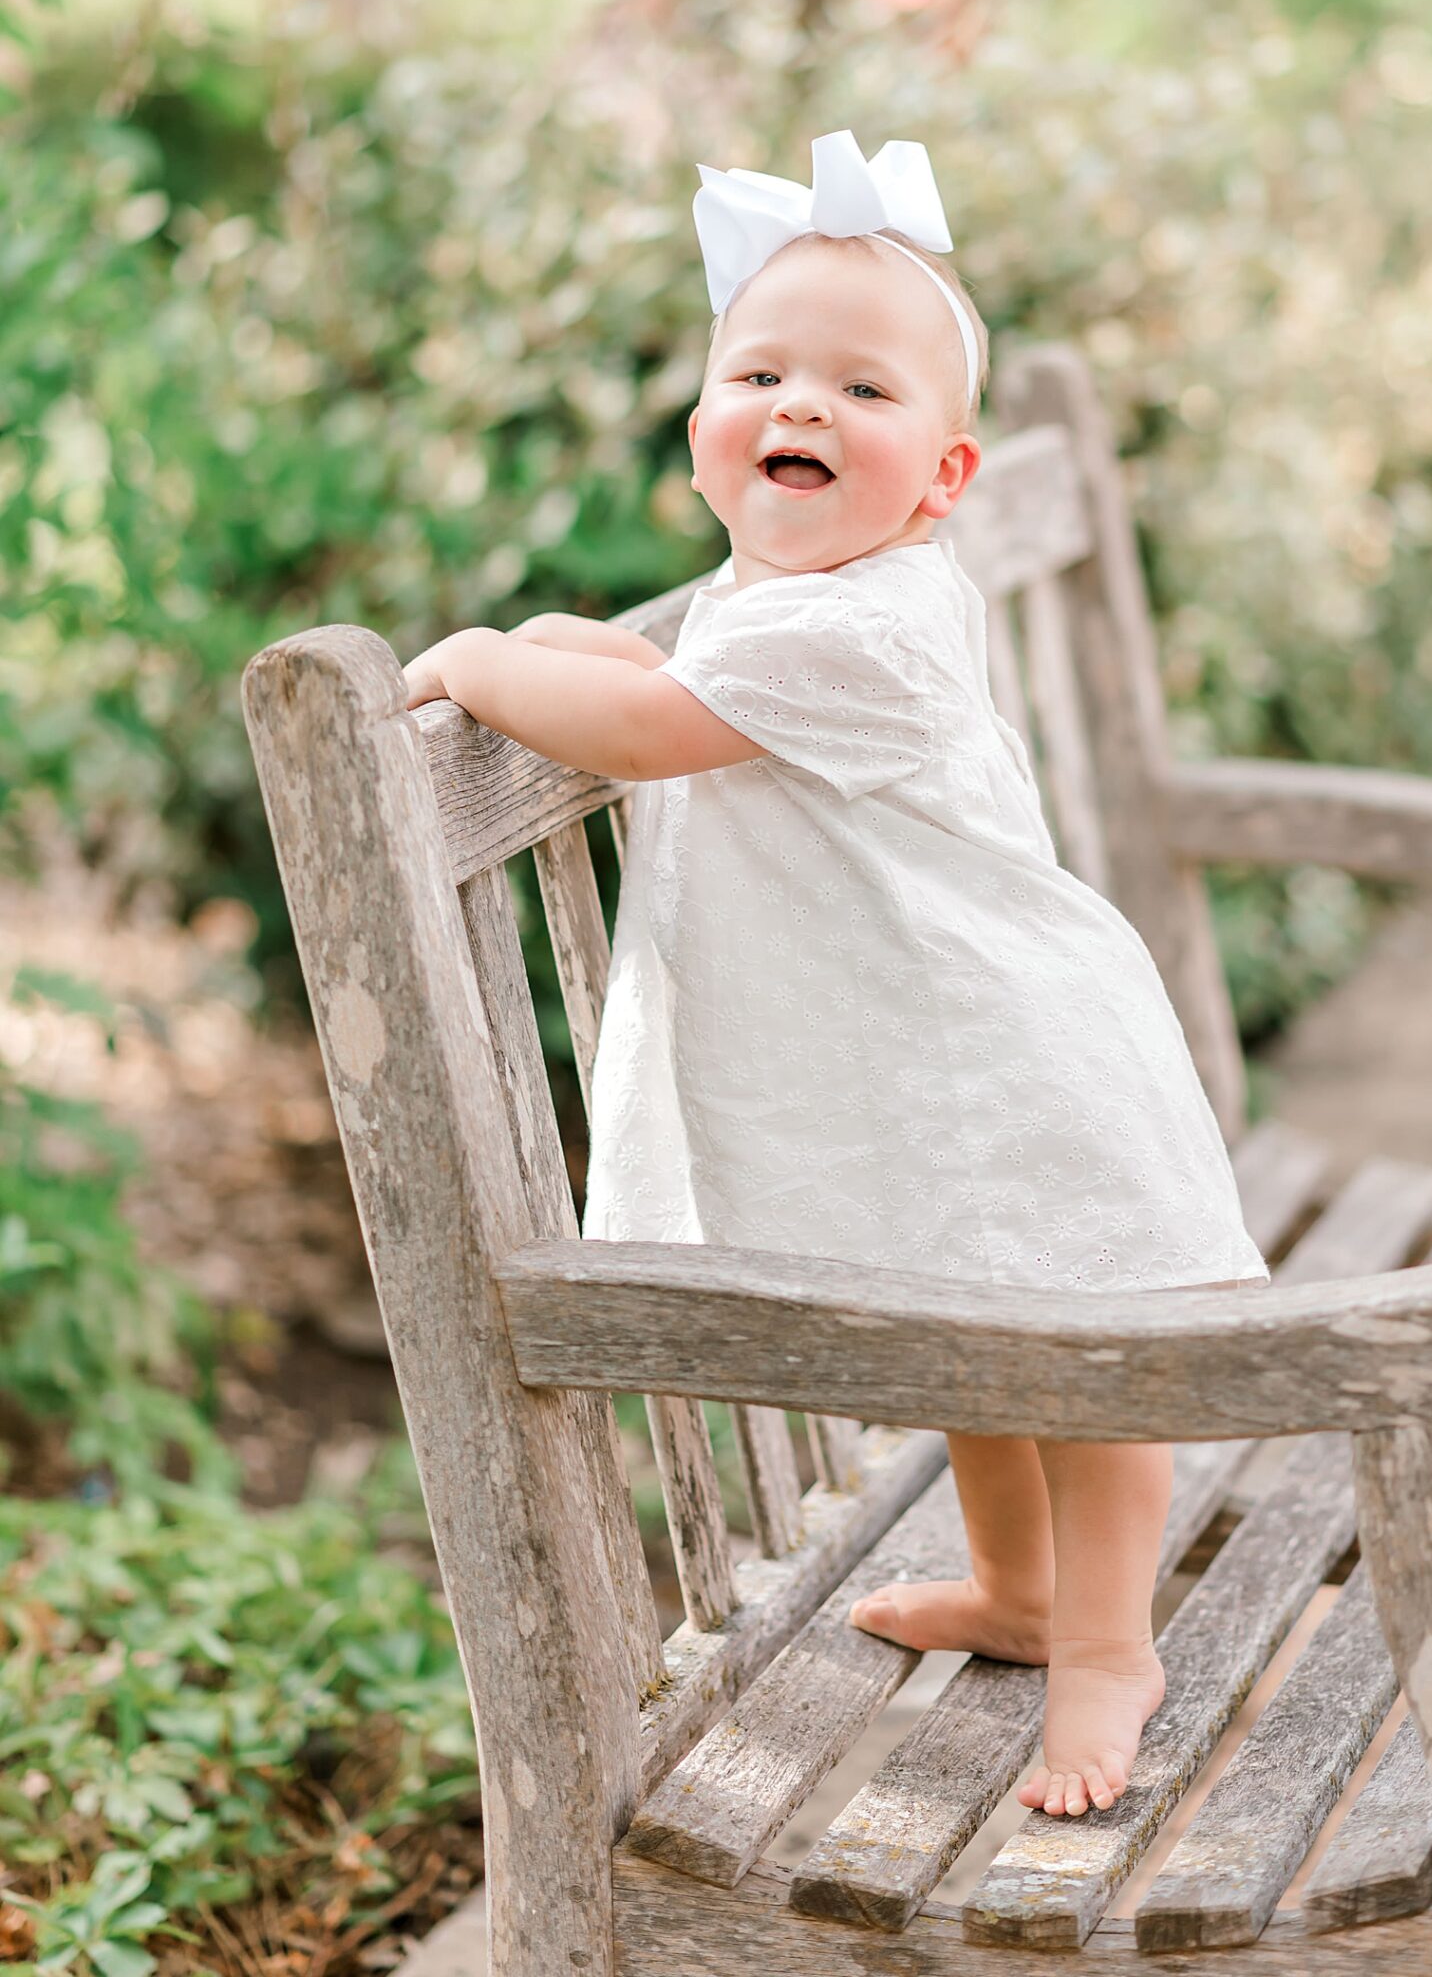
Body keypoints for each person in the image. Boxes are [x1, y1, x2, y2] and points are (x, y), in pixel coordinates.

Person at [402, 129, 1269, 1820]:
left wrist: (488, 663)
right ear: (706, 440)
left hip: (1014, 1050)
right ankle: (1018, 1599)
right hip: (935, 1053)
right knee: (976, 1347)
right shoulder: (782, 594)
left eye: (863, 391)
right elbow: (676, 663)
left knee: (1081, 1365)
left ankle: (1104, 1643)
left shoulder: (872, 622)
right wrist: (583, 648)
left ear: (942, 482)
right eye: (763, 373)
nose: (803, 403)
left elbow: (660, 723)